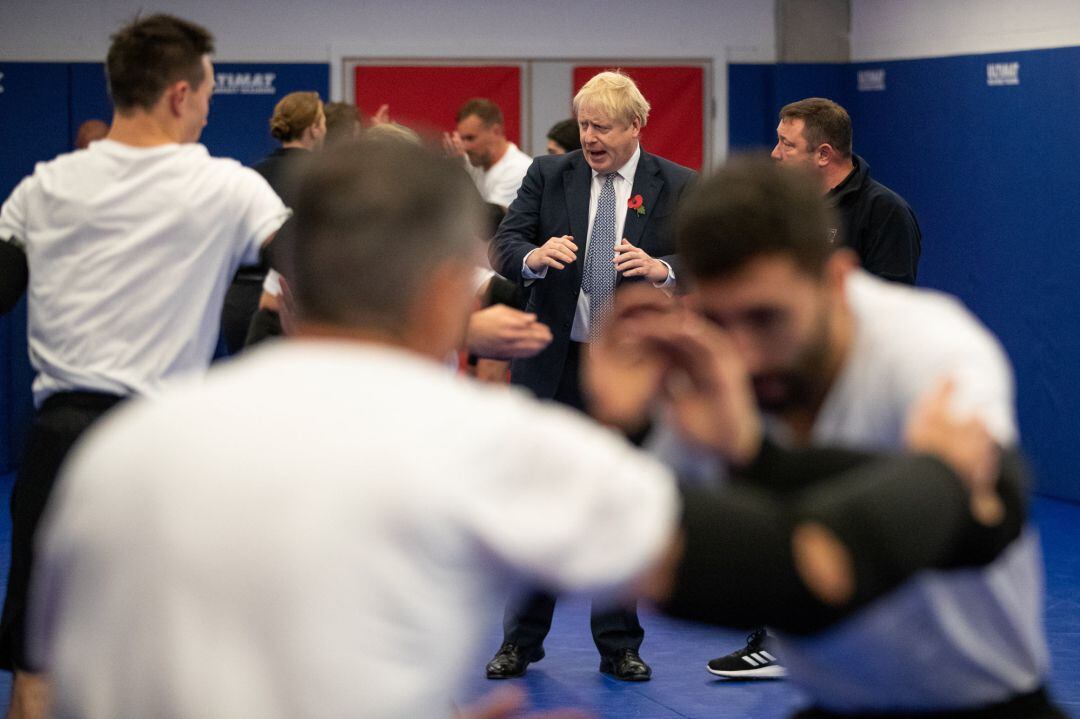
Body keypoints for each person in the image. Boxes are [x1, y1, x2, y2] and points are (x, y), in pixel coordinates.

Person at [29, 140, 1037, 719]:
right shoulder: (476, 442)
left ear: (286, 285)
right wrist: (950, 476)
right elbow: (809, 565)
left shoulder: (123, 452)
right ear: (444, 292)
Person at [651, 156, 1055, 716]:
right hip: (833, 698)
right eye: (721, 321)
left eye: (767, 318)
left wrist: (752, 464)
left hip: (978, 701)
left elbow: (981, 517)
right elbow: (666, 554)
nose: (743, 354)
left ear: (836, 280)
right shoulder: (709, 365)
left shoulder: (930, 348)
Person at [0, 14, 290, 718]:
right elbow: (318, 274)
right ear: (179, 95)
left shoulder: (43, 187)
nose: (210, 106)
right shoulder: (225, 185)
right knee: (172, 667)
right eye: (210, 92)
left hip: (59, 439)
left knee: (36, 669)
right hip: (159, 449)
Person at [484, 70, 696, 682]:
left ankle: (619, 646)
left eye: (602, 126)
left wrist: (662, 268)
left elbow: (704, 260)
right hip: (555, 367)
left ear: (636, 126)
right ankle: (520, 643)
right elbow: (506, 240)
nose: (590, 136)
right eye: (583, 124)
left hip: (629, 372)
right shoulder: (551, 174)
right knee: (536, 507)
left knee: (619, 507)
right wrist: (532, 256)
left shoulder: (677, 185)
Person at [771, 97, 921, 285]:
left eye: (787, 144)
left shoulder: (885, 211)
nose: (775, 153)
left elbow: (891, 300)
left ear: (823, 155)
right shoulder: (788, 204)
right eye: (779, 141)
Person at [222, 91, 326, 353]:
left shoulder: (251, 176)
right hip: (290, 300)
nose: (325, 130)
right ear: (313, 129)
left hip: (239, 301)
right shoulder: (325, 178)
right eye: (323, 122)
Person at [444, 98, 532, 207]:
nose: (465, 146)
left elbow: (488, 220)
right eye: (462, 139)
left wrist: (459, 171)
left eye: (470, 138)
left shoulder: (521, 170)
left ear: (496, 131)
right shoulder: (475, 161)